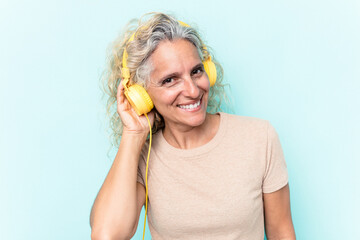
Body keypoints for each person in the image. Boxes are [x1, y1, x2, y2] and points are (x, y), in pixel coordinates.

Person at [90, 12, 296, 240]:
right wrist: (133, 134)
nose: (193, 90)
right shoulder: (142, 157)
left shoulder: (260, 137)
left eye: (196, 71)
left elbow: (282, 232)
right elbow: (107, 234)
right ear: (141, 94)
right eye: (170, 80)